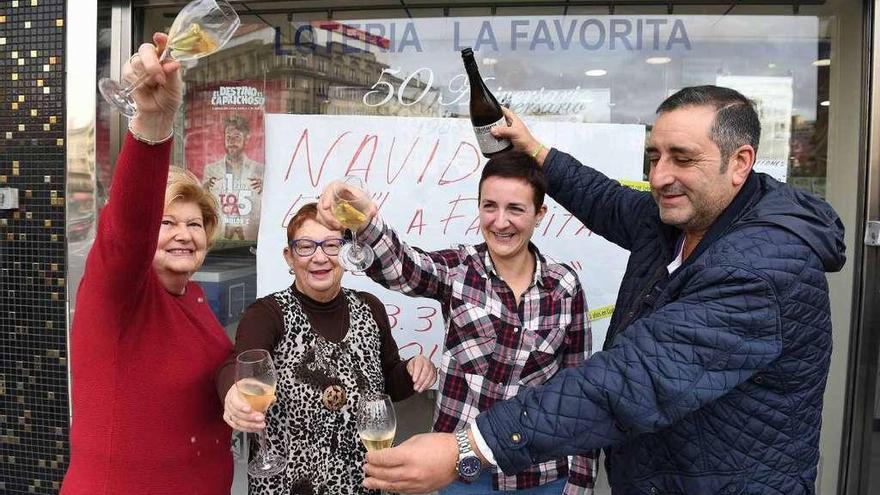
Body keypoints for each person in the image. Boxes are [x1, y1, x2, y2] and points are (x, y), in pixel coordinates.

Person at [360, 85, 847, 495]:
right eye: (654, 157)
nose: (659, 177)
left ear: (740, 163)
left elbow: (629, 380)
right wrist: (535, 150)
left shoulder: (761, 269)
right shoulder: (678, 221)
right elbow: (604, 198)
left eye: (682, 159)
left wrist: (468, 446)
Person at [318, 151, 597, 494]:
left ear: (539, 214)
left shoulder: (564, 286)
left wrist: (580, 481)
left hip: (540, 475)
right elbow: (403, 267)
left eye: (516, 209)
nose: (500, 221)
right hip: (463, 473)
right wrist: (362, 219)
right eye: (489, 206)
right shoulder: (459, 270)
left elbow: (580, 392)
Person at [61, 34, 233, 494]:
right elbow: (128, 225)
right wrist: (154, 123)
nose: (183, 234)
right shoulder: (117, 293)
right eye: (167, 221)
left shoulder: (190, 295)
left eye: (194, 224)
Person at [217, 202, 437, 495]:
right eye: (306, 246)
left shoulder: (370, 308)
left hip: (362, 483)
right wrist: (233, 392)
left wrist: (413, 370)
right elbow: (238, 364)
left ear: (346, 253)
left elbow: (390, 384)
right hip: (287, 485)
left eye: (332, 245)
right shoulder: (267, 313)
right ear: (290, 256)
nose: (320, 257)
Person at [202, 114, 265, 241]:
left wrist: (266, 188)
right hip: (219, 240)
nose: (232, 142)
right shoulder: (211, 170)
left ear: (246, 139)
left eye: (237, 137)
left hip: (251, 240)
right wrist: (204, 189)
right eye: (228, 137)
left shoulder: (260, 170)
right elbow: (203, 205)